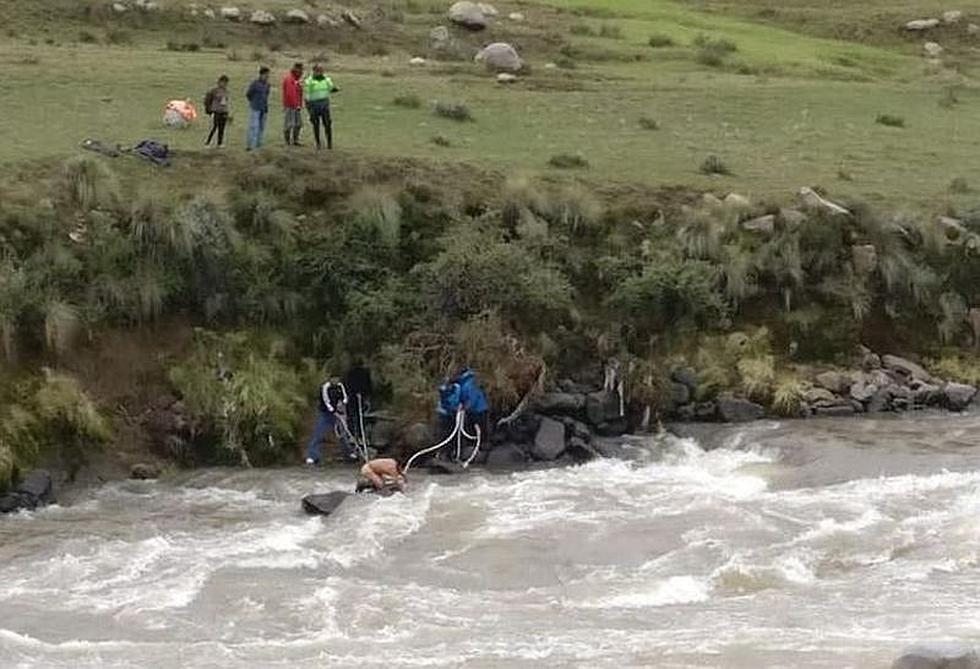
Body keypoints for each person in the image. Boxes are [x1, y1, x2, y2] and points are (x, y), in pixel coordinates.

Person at [305, 377, 355, 465]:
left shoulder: (340, 386)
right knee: (319, 433)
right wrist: (333, 411)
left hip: (339, 412)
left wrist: (342, 403)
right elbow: (326, 401)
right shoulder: (325, 387)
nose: (336, 381)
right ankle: (312, 456)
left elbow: (345, 397)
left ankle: (348, 454)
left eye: (337, 379)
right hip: (326, 414)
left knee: (343, 433)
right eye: (334, 379)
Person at [303, 64, 339, 150]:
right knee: (316, 125)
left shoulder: (327, 79)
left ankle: (329, 143)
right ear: (314, 71)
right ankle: (318, 143)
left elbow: (330, 88)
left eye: (321, 70)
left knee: (327, 124)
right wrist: (309, 108)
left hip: (324, 105)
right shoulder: (309, 81)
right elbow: (307, 94)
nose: (320, 72)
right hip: (314, 105)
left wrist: (335, 89)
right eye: (318, 71)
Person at [344, 359, 373, 446]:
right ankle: (359, 436)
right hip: (359, 397)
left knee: (354, 417)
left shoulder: (350, 373)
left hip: (353, 397)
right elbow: (369, 385)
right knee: (360, 416)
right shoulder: (365, 372)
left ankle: (355, 436)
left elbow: (346, 385)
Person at [456, 367, 489, 440]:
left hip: (479, 410)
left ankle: (482, 445)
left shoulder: (469, 383)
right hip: (475, 410)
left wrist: (465, 408)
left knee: (480, 430)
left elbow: (472, 399)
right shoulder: (464, 384)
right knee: (475, 429)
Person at [245, 67, 271, 151]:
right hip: (255, 107)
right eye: (266, 74)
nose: (267, 76)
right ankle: (251, 146)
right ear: (261, 74)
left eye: (268, 75)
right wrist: (253, 102)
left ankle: (258, 145)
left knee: (261, 127)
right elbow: (248, 94)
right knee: (254, 127)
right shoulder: (255, 84)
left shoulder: (267, 85)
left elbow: (267, 95)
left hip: (264, 108)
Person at [282, 62, 304, 147]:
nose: (302, 73)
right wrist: (296, 105)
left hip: (296, 105)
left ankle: (295, 140)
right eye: (301, 70)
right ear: (296, 70)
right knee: (289, 124)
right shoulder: (289, 79)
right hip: (290, 105)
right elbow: (290, 94)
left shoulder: (296, 80)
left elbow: (299, 92)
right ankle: (287, 141)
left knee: (298, 124)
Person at [204, 75, 230, 148]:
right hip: (216, 111)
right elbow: (207, 100)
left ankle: (220, 143)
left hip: (224, 111)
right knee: (214, 127)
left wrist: (227, 112)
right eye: (223, 82)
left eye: (226, 83)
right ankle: (208, 142)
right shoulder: (214, 91)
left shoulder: (226, 91)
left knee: (222, 128)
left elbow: (226, 102)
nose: (224, 84)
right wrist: (209, 109)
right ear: (219, 82)